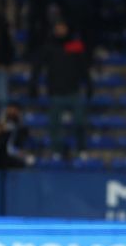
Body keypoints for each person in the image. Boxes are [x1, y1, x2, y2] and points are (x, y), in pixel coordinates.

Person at [32, 20, 90, 159]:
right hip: (55, 93)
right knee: (54, 124)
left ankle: (81, 149)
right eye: (58, 27)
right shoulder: (49, 47)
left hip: (73, 91)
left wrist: (89, 84)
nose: (60, 30)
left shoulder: (75, 45)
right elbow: (38, 67)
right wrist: (33, 85)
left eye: (62, 27)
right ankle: (56, 150)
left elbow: (83, 66)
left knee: (80, 122)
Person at [0, 103, 33, 169]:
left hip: (11, 155)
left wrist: (22, 154)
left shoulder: (21, 127)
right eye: (10, 110)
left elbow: (17, 145)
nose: (12, 112)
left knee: (29, 160)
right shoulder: (0, 124)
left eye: (14, 110)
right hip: (0, 157)